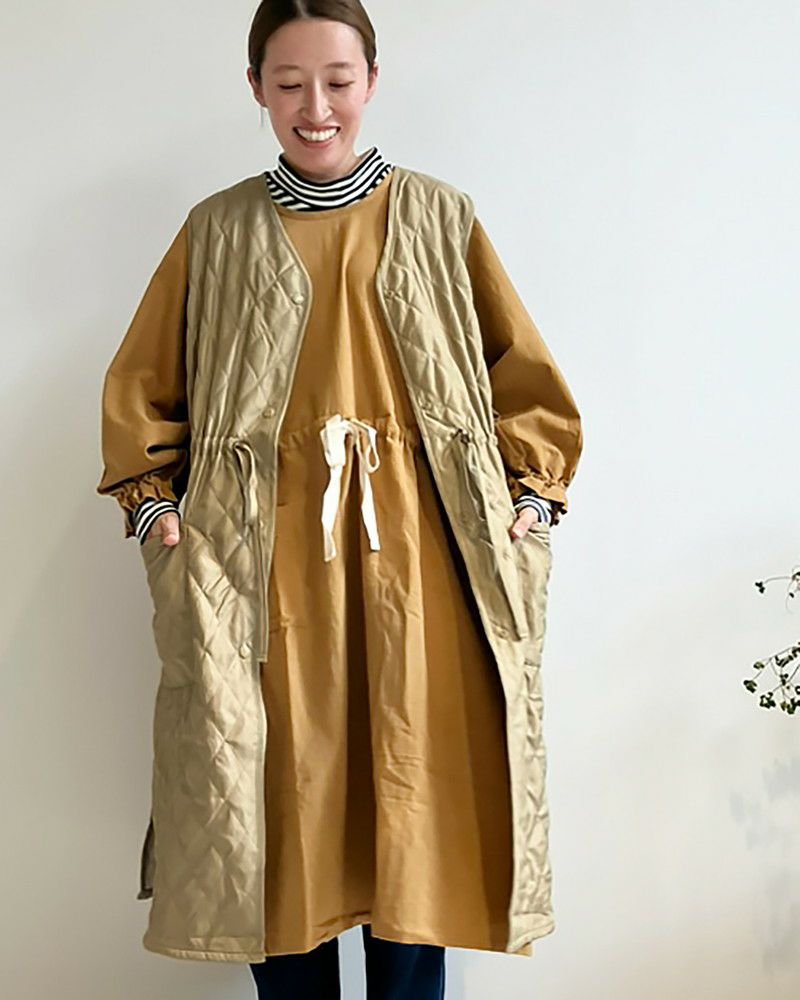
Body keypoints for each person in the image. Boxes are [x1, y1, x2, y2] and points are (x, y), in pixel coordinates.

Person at [95, 2, 583, 997]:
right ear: (255, 88)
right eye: (288, 84)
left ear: (371, 81)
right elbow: (142, 389)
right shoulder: (218, 230)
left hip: (425, 571)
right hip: (262, 575)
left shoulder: (439, 217)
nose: (314, 106)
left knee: (417, 816)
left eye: (336, 81)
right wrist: (156, 511)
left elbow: (523, 379)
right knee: (279, 822)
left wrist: (531, 499)